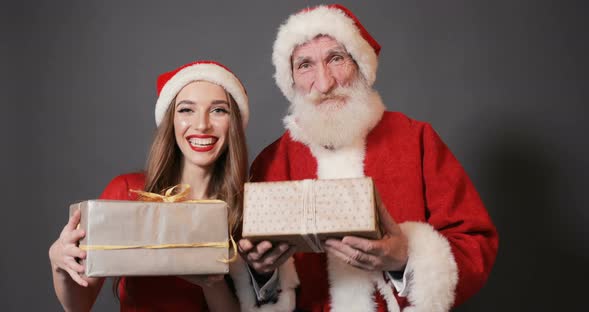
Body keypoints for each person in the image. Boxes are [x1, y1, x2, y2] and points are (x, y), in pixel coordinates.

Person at [239, 4, 499, 312]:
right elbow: (247, 284)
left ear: (361, 65)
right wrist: (261, 271)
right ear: (291, 79)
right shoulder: (272, 161)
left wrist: (405, 256)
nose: (324, 84)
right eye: (305, 65)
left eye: (336, 58)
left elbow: (475, 244)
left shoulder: (417, 139)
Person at [49, 60, 256, 311]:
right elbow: (79, 306)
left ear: (233, 122)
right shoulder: (127, 192)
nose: (202, 124)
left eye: (219, 110)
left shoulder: (247, 212)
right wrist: (59, 262)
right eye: (186, 110)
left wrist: (210, 282)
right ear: (170, 121)